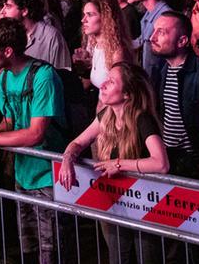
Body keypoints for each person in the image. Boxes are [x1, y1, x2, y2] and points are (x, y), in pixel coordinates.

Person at [0, 18, 67, 264]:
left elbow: (36, 133)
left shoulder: (43, 75)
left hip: (48, 175)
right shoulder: (4, 78)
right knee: (29, 247)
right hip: (22, 172)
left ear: (8, 51)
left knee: (51, 248)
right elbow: (10, 122)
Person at [56, 61, 168, 264]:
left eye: (111, 81)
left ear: (127, 94)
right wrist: (67, 159)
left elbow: (160, 163)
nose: (103, 85)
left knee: (147, 257)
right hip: (116, 202)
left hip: (144, 204)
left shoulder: (142, 119)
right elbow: (78, 142)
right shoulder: (105, 116)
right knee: (118, 257)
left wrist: (118, 164)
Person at [147, 11, 199, 181]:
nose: (152, 37)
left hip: (193, 160)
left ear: (183, 41)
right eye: (154, 31)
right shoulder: (161, 70)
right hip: (168, 156)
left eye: (161, 32)